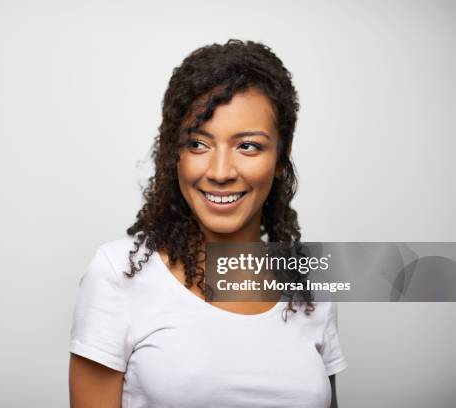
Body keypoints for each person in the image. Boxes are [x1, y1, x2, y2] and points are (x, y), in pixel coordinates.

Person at [69, 39, 347, 408]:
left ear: (282, 156)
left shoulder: (309, 283)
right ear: (175, 152)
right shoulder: (118, 274)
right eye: (198, 144)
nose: (219, 172)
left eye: (248, 146)